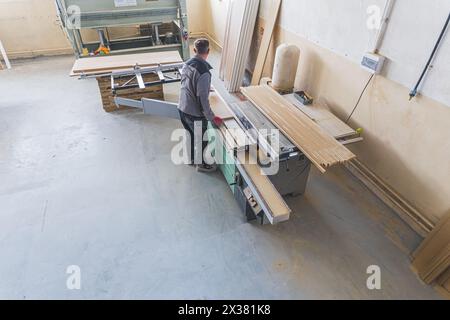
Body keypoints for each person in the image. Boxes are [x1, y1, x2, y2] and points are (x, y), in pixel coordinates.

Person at [178, 38, 223, 172]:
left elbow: (186, 83)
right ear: (208, 51)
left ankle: (191, 159)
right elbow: (202, 99)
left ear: (194, 50)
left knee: (190, 135)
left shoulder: (187, 64)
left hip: (182, 107)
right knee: (202, 139)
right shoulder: (204, 72)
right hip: (194, 113)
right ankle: (202, 164)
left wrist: (203, 87)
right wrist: (211, 117)